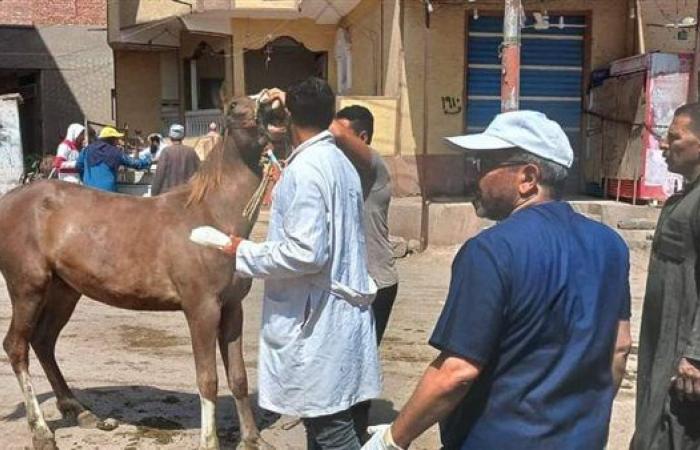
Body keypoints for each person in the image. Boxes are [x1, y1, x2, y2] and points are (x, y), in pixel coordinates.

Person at [363, 111, 632, 450]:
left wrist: (390, 440)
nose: (473, 175)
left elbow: (456, 372)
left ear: (528, 178)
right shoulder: (610, 245)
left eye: (484, 163)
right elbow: (619, 348)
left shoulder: (491, 251)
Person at [222, 77, 381, 450]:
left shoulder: (307, 170)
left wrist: (241, 250)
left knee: (331, 429)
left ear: (289, 117)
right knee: (322, 421)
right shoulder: (338, 163)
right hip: (332, 312)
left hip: (319, 320)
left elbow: (305, 253)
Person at [631, 103, 700, 450]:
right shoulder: (685, 197)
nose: (663, 144)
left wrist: (696, 353)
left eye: (675, 137)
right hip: (664, 342)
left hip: (684, 352)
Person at [331, 105, 399, 443]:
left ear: (363, 138)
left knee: (358, 365)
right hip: (349, 285)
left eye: (340, 137)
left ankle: (355, 435)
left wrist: (303, 106)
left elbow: (337, 133)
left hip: (376, 283)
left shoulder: (375, 168)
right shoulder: (341, 175)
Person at [76, 126, 150, 192]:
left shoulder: (87, 150)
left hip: (89, 190)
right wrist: (148, 161)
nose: (118, 141)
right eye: (116, 139)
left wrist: (86, 179)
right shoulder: (116, 152)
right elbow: (135, 163)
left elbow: (78, 166)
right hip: (108, 192)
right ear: (111, 139)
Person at [151, 124, 200, 196]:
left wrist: (154, 194)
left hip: (168, 198)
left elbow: (159, 175)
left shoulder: (166, 151)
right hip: (187, 196)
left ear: (170, 136)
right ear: (183, 137)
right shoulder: (191, 151)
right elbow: (200, 173)